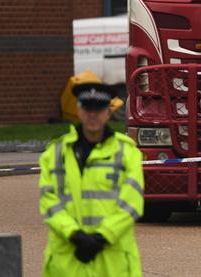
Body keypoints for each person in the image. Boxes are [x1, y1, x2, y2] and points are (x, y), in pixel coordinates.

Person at [39, 83, 144, 277]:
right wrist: (75, 235)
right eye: (87, 107)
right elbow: (49, 202)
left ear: (109, 112)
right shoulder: (55, 154)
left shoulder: (127, 153)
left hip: (112, 263)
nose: (93, 114)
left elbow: (132, 203)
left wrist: (103, 237)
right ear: (79, 110)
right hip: (68, 263)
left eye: (99, 108)